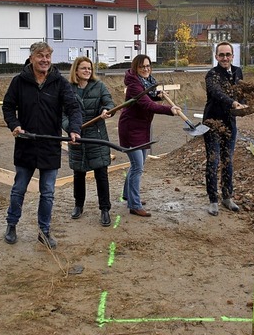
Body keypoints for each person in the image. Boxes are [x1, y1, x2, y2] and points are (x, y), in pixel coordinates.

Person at [2, 41, 82, 248]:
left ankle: (44, 230)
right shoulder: (19, 81)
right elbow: (8, 107)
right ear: (31, 58)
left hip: (50, 144)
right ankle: (11, 224)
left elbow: (73, 107)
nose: (44, 59)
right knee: (19, 188)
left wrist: (74, 129)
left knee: (47, 192)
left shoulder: (59, 82)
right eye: (40, 55)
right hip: (26, 143)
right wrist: (15, 125)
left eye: (47, 55)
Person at [117, 54, 181, 217]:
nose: (146, 69)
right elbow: (147, 104)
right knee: (138, 166)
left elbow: (148, 96)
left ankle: (127, 195)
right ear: (135, 68)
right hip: (131, 129)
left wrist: (156, 95)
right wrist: (170, 110)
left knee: (137, 164)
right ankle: (134, 205)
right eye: (142, 67)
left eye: (148, 66)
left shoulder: (147, 82)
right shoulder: (133, 85)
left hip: (142, 128)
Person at [63, 57, 115, 227]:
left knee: (101, 173)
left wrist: (106, 110)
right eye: (83, 68)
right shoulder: (68, 89)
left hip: (97, 136)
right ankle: (78, 205)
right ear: (76, 70)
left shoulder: (99, 86)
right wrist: (70, 128)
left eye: (89, 68)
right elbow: (62, 114)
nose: (87, 71)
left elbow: (108, 102)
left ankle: (105, 209)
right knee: (78, 173)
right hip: (77, 136)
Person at [203, 41, 247, 216]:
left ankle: (227, 197)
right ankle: (213, 199)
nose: (225, 58)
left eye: (228, 55)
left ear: (232, 56)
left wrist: (243, 105)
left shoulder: (237, 71)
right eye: (221, 55)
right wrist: (232, 102)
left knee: (228, 160)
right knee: (213, 161)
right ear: (216, 57)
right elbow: (217, 93)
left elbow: (242, 93)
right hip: (212, 123)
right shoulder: (211, 75)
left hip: (229, 123)